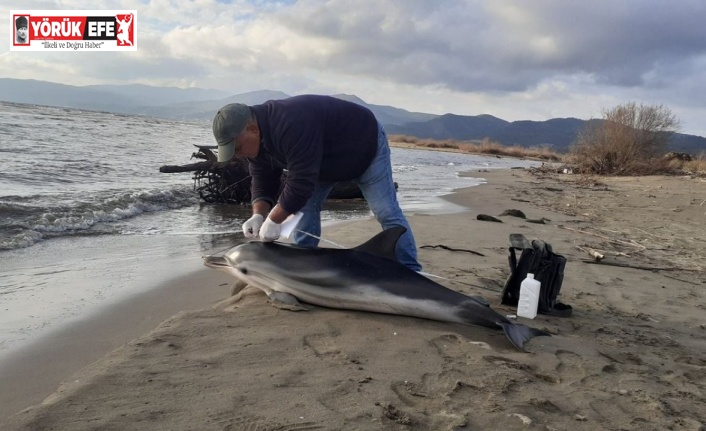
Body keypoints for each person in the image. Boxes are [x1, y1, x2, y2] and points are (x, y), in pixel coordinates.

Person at [212, 95, 422, 271]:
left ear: (252, 129)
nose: (237, 155)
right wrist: (258, 215)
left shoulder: (291, 123)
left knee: (386, 211)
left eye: (237, 148)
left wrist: (274, 219)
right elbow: (261, 179)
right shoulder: (255, 140)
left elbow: (300, 182)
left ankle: (411, 271)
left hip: (365, 148)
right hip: (322, 163)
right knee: (305, 210)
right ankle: (306, 267)